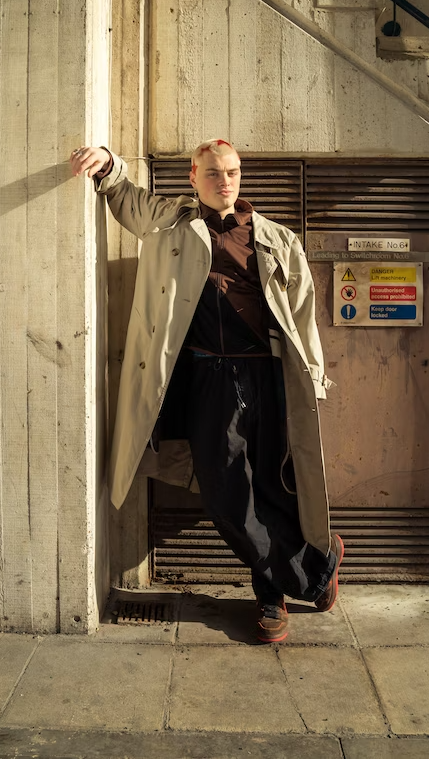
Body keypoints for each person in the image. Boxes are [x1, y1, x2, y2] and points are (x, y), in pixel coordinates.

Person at [70, 139, 344, 643]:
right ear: (193, 177)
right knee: (224, 495)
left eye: (233, 172)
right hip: (207, 378)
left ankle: (271, 597)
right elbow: (124, 196)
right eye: (214, 173)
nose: (225, 181)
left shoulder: (276, 238)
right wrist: (108, 163)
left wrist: (313, 377)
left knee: (272, 487)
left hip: (267, 376)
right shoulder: (169, 221)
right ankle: (315, 569)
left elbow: (303, 313)